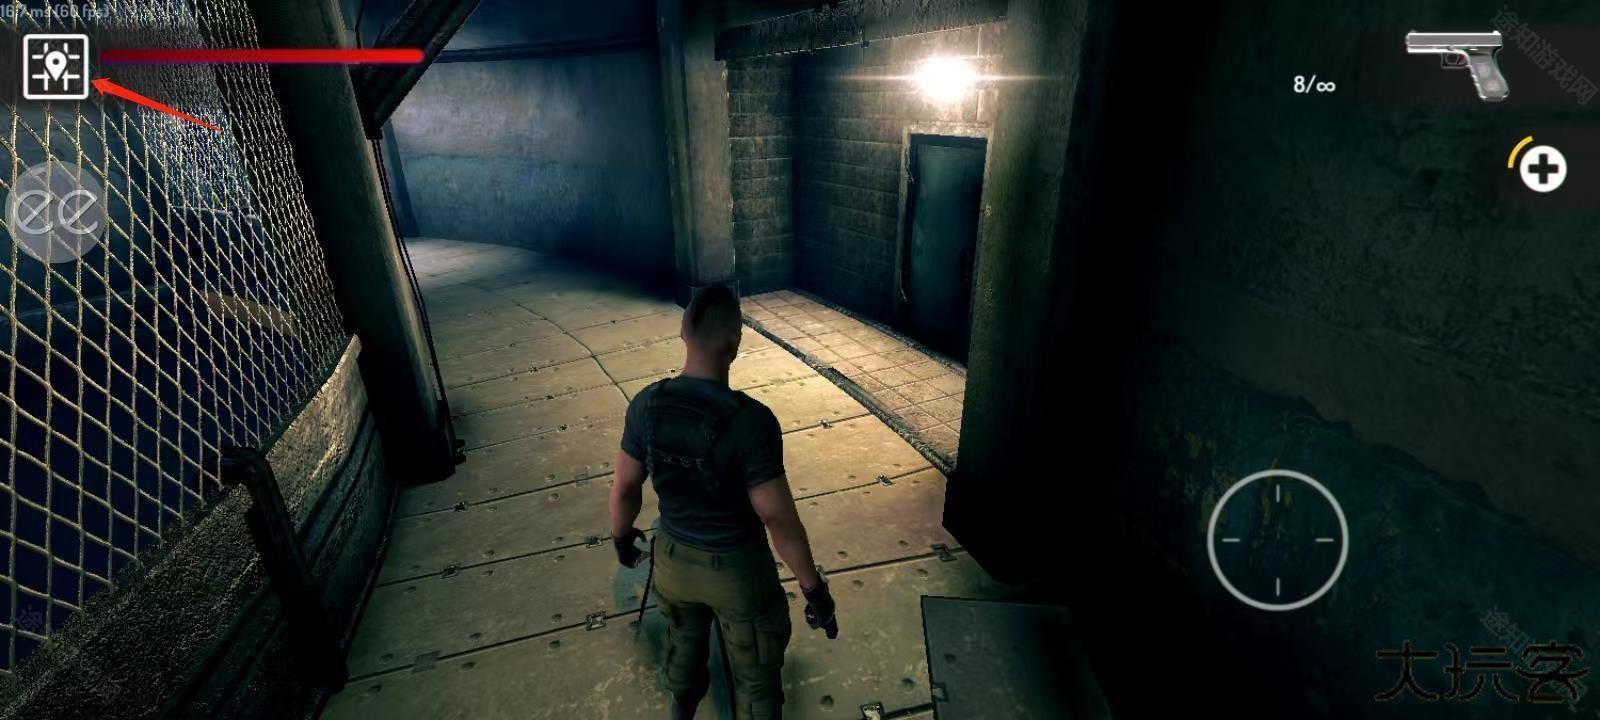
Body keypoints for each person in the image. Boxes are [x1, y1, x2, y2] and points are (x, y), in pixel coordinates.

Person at [609, 284, 838, 720]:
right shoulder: (752, 422)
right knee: (756, 677)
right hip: (737, 570)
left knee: (682, 648)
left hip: (673, 560)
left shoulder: (646, 405)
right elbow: (776, 517)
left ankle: (682, 708)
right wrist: (814, 588)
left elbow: (624, 487)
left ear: (684, 334)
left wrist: (621, 537)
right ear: (734, 344)